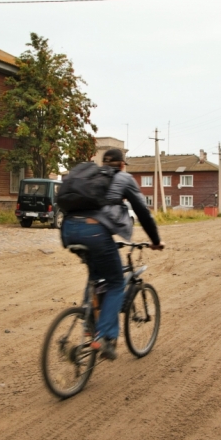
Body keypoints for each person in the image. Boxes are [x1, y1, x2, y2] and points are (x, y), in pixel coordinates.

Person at [61, 149, 164, 360]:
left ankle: (89, 324)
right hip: (95, 231)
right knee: (116, 282)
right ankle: (105, 337)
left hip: (69, 229)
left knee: (95, 278)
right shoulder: (123, 178)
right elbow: (143, 212)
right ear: (122, 165)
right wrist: (155, 241)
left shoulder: (91, 177)